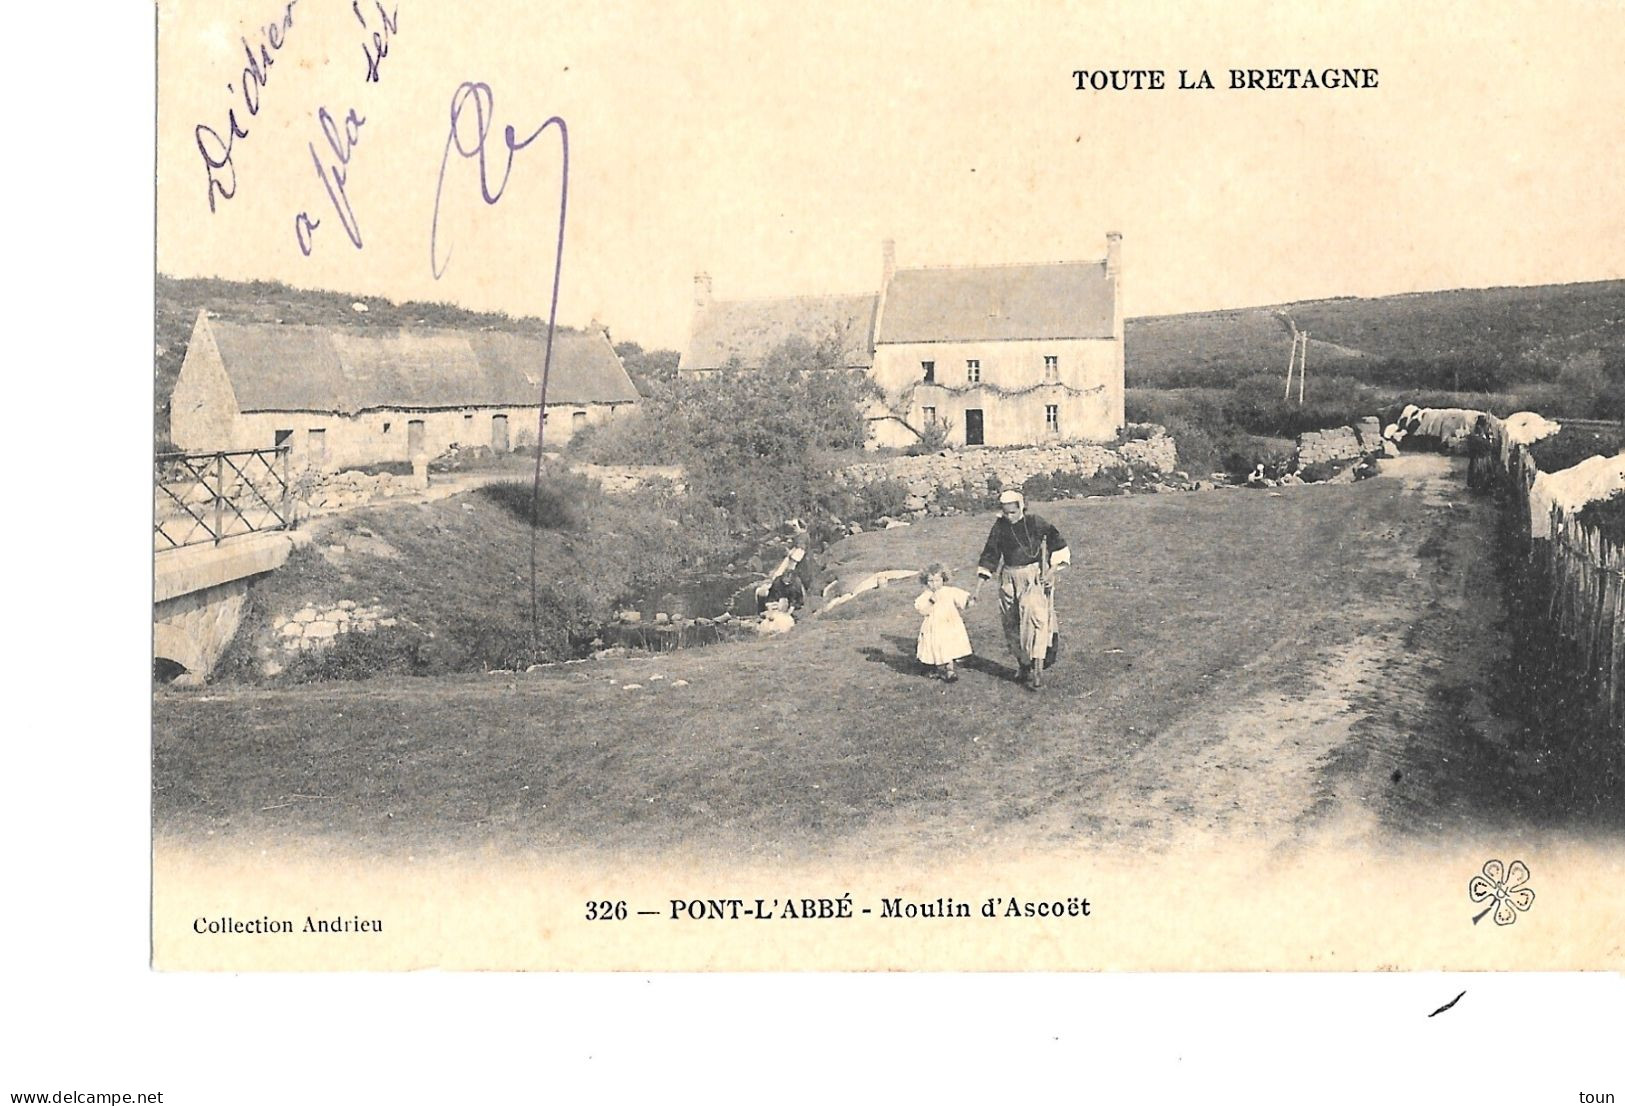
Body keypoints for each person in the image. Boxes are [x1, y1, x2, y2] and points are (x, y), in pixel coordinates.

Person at [976, 489, 1070, 689]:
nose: (1009, 516)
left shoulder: (1035, 522)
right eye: (1005, 512)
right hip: (1009, 579)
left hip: (1033, 577)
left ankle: (1037, 667)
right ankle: (1023, 664)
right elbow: (990, 554)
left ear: (1021, 507)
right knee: (1011, 623)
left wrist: (1051, 571)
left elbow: (1058, 543)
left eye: (1012, 512)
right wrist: (978, 587)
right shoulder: (999, 527)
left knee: (1034, 616)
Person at [914, 563, 974, 681]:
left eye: (937, 580)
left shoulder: (949, 591)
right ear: (926, 582)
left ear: (943, 579)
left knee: (948, 647)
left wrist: (969, 601)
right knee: (934, 647)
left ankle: (950, 670)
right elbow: (922, 609)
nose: (934, 584)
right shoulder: (926, 595)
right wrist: (931, 601)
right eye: (931, 581)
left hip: (949, 624)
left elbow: (961, 598)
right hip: (934, 626)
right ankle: (932, 667)